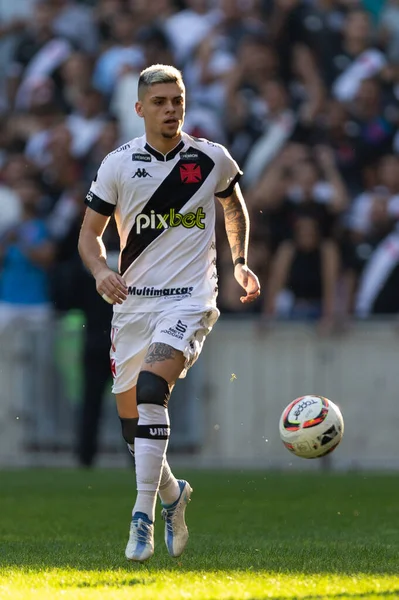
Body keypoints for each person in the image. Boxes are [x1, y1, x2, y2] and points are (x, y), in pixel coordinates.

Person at [78, 63, 260, 563]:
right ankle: (173, 495)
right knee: (131, 429)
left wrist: (240, 262)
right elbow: (89, 236)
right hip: (132, 305)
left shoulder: (211, 159)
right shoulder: (117, 164)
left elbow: (233, 207)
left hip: (189, 299)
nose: (170, 109)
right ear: (139, 109)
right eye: (159, 102)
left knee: (155, 389)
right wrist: (99, 272)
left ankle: (140, 516)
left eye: (177, 100)